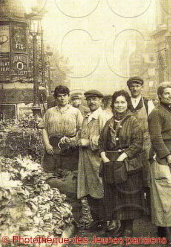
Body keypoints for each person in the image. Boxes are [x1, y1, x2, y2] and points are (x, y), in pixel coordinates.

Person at [99, 90, 144, 237]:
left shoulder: (133, 121)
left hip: (128, 164)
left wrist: (124, 155)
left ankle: (128, 227)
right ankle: (120, 225)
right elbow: (101, 142)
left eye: (122, 102)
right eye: (117, 102)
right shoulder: (109, 122)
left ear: (127, 104)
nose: (119, 105)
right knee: (115, 196)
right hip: (111, 163)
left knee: (128, 195)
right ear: (113, 104)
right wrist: (103, 156)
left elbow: (138, 144)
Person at [148, 82, 171, 241]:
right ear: (160, 96)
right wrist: (167, 155)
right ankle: (165, 230)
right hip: (163, 158)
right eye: (166, 93)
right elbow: (156, 138)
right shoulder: (156, 113)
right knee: (165, 193)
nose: (170, 96)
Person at [77, 90, 111, 233]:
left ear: (100, 101)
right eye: (89, 99)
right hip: (85, 161)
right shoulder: (87, 117)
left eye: (94, 99)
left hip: (97, 160)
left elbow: (107, 140)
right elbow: (81, 135)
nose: (91, 102)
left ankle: (105, 222)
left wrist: (89, 142)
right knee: (89, 191)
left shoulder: (103, 117)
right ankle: (96, 220)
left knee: (100, 190)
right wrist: (74, 140)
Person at [126, 76, 155, 216]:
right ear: (129, 88)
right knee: (131, 177)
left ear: (141, 87)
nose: (135, 88)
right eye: (132, 86)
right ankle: (135, 209)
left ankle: (149, 209)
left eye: (137, 86)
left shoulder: (148, 103)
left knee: (147, 177)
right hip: (129, 146)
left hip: (145, 145)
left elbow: (154, 125)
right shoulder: (124, 103)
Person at [40, 85, 83, 172]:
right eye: (59, 96)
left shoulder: (75, 112)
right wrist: (47, 144)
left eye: (64, 95)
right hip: (53, 145)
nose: (62, 98)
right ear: (56, 97)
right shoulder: (49, 112)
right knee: (50, 172)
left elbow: (81, 129)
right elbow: (43, 128)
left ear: (68, 96)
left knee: (69, 173)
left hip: (70, 146)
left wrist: (73, 140)